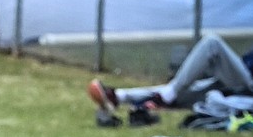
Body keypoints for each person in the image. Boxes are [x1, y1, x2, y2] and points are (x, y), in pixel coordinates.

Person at [88, 33, 253, 121]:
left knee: (212, 43)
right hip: (240, 79)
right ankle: (117, 96)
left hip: (248, 84)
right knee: (185, 89)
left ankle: (165, 96)